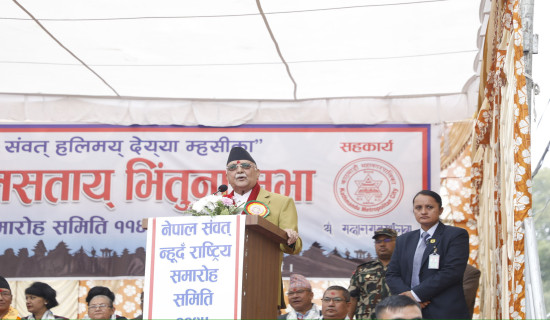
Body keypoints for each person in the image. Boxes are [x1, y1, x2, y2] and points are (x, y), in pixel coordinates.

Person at [224, 146, 302, 307]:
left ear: (258, 173)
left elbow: (295, 247)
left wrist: (289, 237)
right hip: (223, 281)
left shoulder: (281, 202)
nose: (239, 171)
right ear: (227, 176)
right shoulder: (214, 204)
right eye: (233, 168)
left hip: (261, 281)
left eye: (245, 166)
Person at [386, 190, 470, 319]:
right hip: (408, 311)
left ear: (441, 210)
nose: (423, 212)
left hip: (444, 311)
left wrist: (416, 295)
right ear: (413, 211)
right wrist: (409, 298)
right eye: (418, 208)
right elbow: (392, 274)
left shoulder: (456, 235)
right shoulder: (404, 239)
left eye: (429, 207)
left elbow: (452, 271)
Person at [348, 228, 397, 319]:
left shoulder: (406, 268)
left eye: (387, 240)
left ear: (397, 242)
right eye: (378, 241)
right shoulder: (362, 270)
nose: (382, 244)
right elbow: (352, 298)